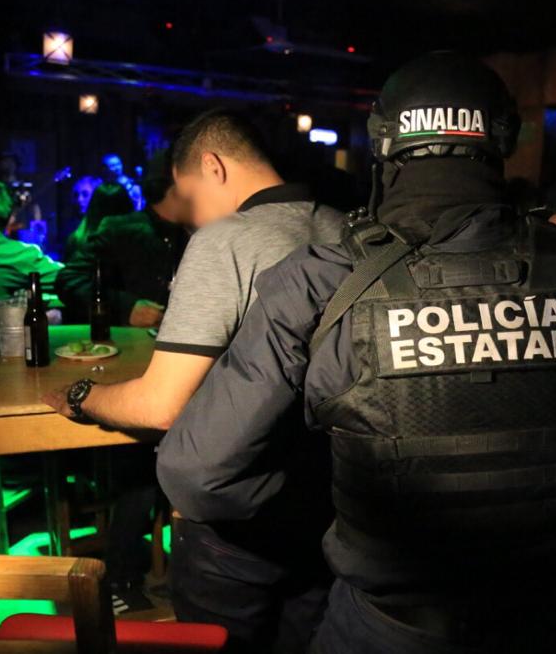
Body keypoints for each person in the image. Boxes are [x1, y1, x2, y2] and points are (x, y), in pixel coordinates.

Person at [156, 53, 556, 654]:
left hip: (388, 629)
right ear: (502, 139)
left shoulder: (320, 280)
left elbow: (197, 472)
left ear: (384, 144)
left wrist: (345, 490)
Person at [44, 110, 343, 652]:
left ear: (213, 166)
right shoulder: (348, 229)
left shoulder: (226, 241)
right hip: (331, 507)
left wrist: (82, 395)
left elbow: (160, 406)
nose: (190, 217)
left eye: (188, 196)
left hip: (240, 514)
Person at [55, 151, 190, 326]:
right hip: (132, 342)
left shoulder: (200, 235)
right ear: (179, 186)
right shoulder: (121, 231)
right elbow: (69, 280)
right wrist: (125, 307)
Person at [63, 182, 135, 264]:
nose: (79, 200)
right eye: (76, 195)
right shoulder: (140, 237)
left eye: (85, 194)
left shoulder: (79, 239)